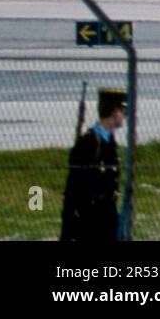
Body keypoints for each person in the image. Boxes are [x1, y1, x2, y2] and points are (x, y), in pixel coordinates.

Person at [60, 88, 127, 241]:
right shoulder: (88, 143)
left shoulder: (110, 142)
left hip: (107, 218)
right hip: (89, 221)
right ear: (114, 112)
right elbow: (73, 189)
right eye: (123, 111)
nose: (124, 116)